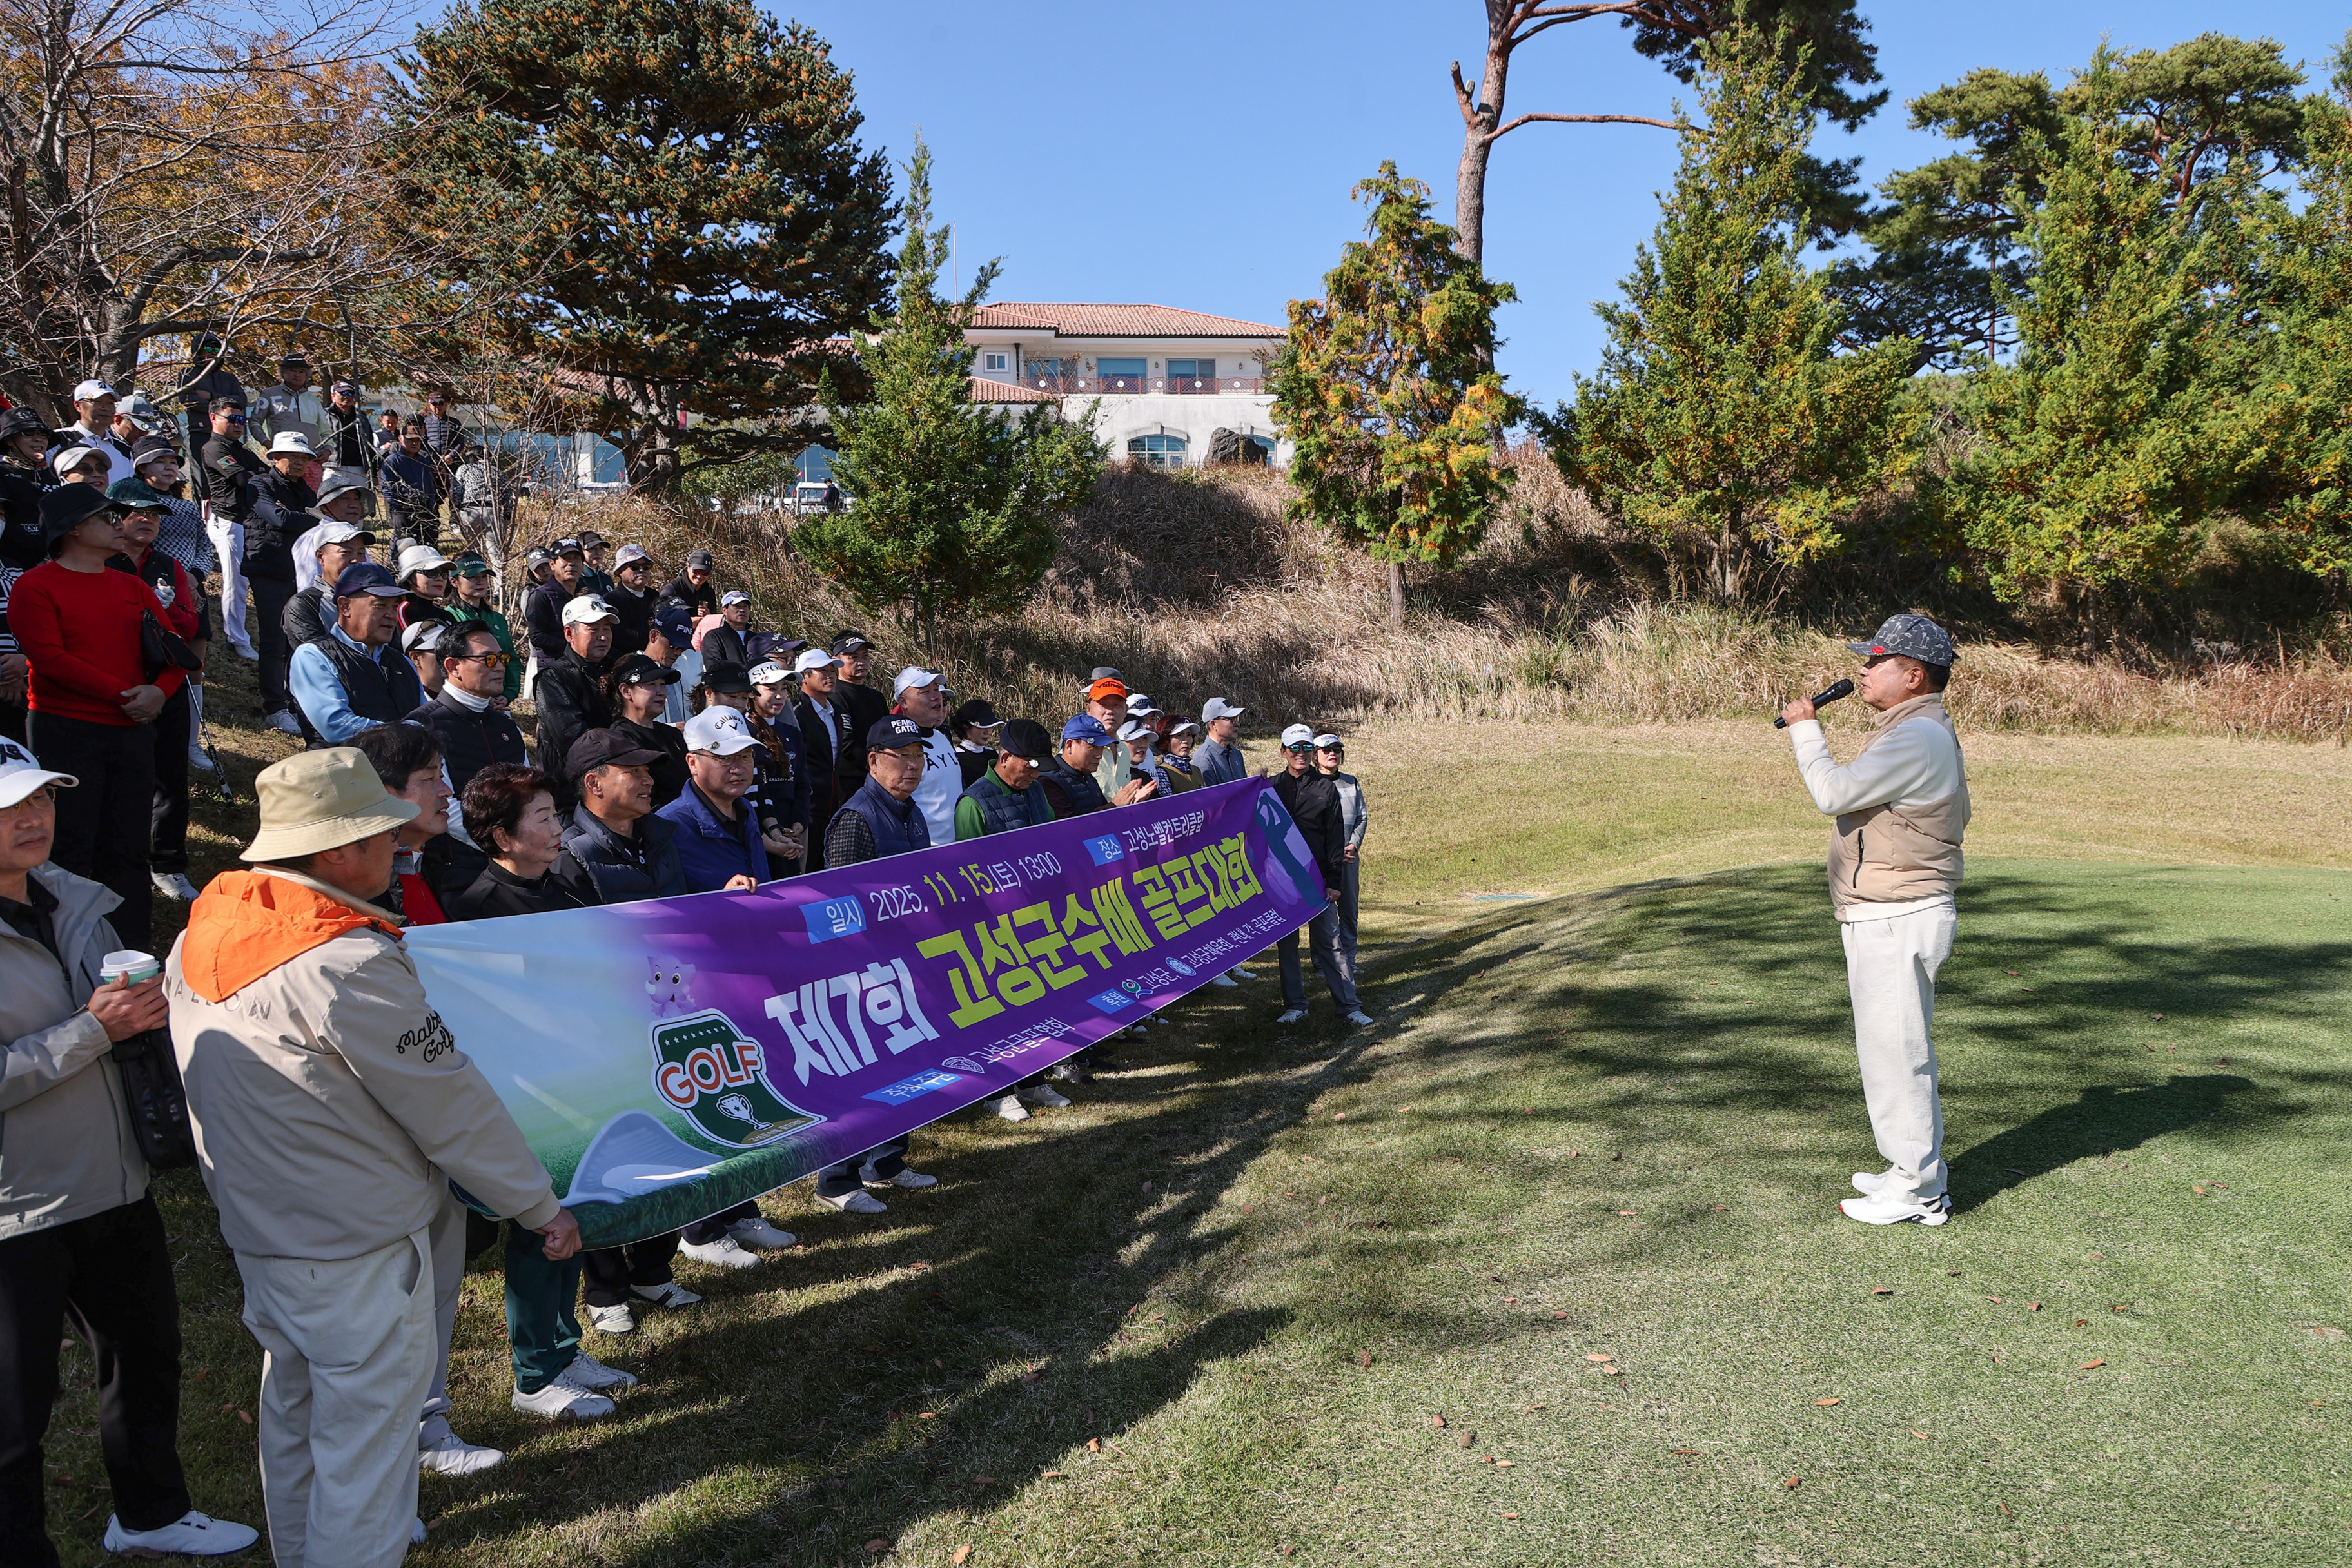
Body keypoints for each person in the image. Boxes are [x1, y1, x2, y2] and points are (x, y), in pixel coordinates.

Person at [166, 748, 587, 1563]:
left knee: (297, 1416)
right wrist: (539, 1203)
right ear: (332, 850)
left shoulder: (210, 925)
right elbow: (449, 1102)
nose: (397, 844)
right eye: (378, 832)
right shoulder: (342, 960)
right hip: (357, 1236)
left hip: (265, 1226)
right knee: (368, 1448)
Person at [0, 741, 263, 1565]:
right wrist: (91, 1031)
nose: (34, 817)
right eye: (9, 808)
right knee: (15, 1410)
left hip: (113, 1180)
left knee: (146, 1356)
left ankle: (150, 1512)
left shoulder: (72, 896)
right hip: (17, 1208)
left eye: (41, 798)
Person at [1779, 614, 1971, 1228]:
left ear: (1913, 674)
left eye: (1877, 659)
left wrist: (1807, 730)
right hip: (1891, 911)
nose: (1863, 668)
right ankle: (1906, 1168)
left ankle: (1919, 1193)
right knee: (1887, 1050)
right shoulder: (1912, 728)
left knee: (1897, 1054)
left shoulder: (1916, 737)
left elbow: (1833, 794)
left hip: (1898, 914)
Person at [10, 484, 183, 950]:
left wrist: (158, 694)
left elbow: (175, 653)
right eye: (107, 518)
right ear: (73, 530)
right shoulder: (36, 585)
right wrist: (128, 694)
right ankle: (63, 951)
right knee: (67, 846)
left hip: (132, 729)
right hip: (66, 729)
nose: (117, 525)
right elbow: (48, 658)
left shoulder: (132, 586)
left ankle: (132, 952)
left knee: (128, 846)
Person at [812, 714, 944, 1211]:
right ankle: (837, 1180)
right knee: (861, 1074)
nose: (913, 768)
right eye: (902, 758)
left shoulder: (912, 811)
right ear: (873, 761)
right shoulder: (856, 818)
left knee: (905, 1065)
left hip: (905, 962)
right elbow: (837, 908)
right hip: (863, 970)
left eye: (919, 758)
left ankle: (886, 1160)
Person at [105, 478, 208, 903]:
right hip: (112, 683)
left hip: (166, 681)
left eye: (153, 514)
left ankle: (167, 864)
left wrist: (162, 610)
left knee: (171, 776)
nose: (146, 519)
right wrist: (154, 609)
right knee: (119, 777)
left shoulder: (170, 565)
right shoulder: (101, 561)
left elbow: (188, 622)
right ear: (114, 517)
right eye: (136, 511)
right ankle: (120, 861)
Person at [406, 622, 528, 904]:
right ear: (453, 665)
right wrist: (507, 848)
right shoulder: (423, 726)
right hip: (454, 875)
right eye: (488, 659)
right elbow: (441, 807)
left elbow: (528, 793)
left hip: (516, 865)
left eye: (502, 658)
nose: (500, 667)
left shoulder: (506, 726)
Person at [1271, 724, 1371, 1028]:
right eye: (1294, 748)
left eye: (1305, 748)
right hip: (1284, 879)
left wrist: (1333, 882)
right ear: (1284, 752)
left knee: (1330, 942)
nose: (1300, 754)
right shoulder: (1272, 786)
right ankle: (1296, 1005)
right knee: (1287, 945)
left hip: (1317, 878)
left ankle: (1349, 1006)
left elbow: (1333, 839)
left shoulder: (1326, 787)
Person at [289, 562, 422, 745]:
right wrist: (408, 734)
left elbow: (425, 719)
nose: (391, 615)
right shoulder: (314, 656)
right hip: (345, 771)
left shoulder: (402, 662)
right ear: (345, 607)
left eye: (394, 606)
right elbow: (335, 726)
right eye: (380, 605)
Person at [241, 431, 318, 734]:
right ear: (275, 458)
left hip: (297, 571)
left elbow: (313, 517)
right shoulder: (259, 484)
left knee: (297, 639)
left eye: (304, 458)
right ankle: (275, 706)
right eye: (293, 457)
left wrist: (303, 516)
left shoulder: (305, 490)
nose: (299, 463)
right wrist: (311, 519)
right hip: (267, 568)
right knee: (273, 639)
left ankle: (293, 698)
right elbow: (279, 519)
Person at [655, 707, 767, 894]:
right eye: (724, 758)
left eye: (746, 756)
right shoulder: (667, 826)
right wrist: (721, 899)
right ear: (693, 763)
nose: (738, 768)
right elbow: (665, 906)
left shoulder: (746, 808)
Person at [352, 722, 451, 926]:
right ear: (382, 791)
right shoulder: (358, 895)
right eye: (429, 778)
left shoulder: (445, 869)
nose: (446, 791)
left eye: (441, 776)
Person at [195, 397, 266, 668]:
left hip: (248, 522)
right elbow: (243, 480)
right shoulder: (213, 448)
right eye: (232, 419)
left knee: (247, 580)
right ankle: (237, 639)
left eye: (242, 419)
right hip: (228, 522)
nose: (239, 424)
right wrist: (259, 477)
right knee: (236, 583)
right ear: (214, 418)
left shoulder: (242, 449)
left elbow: (266, 474)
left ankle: (240, 635)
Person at [533, 594, 616, 807]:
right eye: (593, 629)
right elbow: (573, 737)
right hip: (572, 796)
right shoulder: (553, 677)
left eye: (606, 628)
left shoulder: (614, 669)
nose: (603, 636)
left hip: (614, 785)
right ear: (570, 634)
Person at [745, 661, 812, 876]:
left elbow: (802, 782)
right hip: (759, 828)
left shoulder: (792, 733)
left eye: (784, 689)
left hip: (791, 828)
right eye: (771, 689)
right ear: (752, 693)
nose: (780, 696)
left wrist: (799, 821)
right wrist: (772, 831)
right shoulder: (743, 732)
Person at [791, 649, 854, 870]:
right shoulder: (795, 713)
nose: (831, 676)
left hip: (834, 803)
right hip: (809, 807)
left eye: (832, 671)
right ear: (804, 677)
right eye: (823, 671)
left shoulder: (835, 710)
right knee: (807, 867)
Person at [888, 667, 961, 847]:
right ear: (903, 702)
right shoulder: (895, 747)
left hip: (960, 846)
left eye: (937, 689)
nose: (936, 697)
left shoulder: (942, 738)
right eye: (925, 692)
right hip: (925, 851)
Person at [604, 655, 688, 807]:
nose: (662, 692)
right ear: (626, 691)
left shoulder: (672, 733)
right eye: (652, 684)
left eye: (662, 685)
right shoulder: (620, 738)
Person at [282, 519, 377, 649]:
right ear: (321, 557)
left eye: (361, 553)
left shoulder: (374, 599)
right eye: (346, 552)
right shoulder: (305, 604)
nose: (356, 560)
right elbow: (316, 657)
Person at [1039, 715, 1154, 819]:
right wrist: (1115, 806)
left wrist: (1129, 804)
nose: (1099, 755)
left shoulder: (1087, 775)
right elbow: (1069, 828)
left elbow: (1103, 816)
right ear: (1070, 745)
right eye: (1093, 747)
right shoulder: (1049, 780)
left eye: (1101, 747)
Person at [1313, 734, 1364, 965]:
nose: (1333, 753)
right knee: (1323, 915)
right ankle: (1322, 962)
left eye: (1337, 749)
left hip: (1349, 858)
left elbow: (1362, 817)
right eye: (1326, 750)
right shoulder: (1310, 784)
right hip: (1321, 860)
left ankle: (1349, 961)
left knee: (1349, 913)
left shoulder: (1351, 782)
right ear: (1316, 756)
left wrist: (1353, 845)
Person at [444, 552, 522, 703]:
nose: (480, 582)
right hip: (465, 701)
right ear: (454, 581)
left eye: (484, 577)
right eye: (472, 577)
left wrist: (508, 695)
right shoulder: (448, 618)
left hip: (499, 701)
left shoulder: (497, 619)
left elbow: (510, 658)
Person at [169, 336, 244, 464]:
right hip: (201, 434)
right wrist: (226, 407)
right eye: (209, 348)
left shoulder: (229, 378)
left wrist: (211, 396)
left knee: (227, 469)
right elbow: (188, 399)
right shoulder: (188, 374)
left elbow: (242, 401)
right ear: (199, 351)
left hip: (227, 437)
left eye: (217, 349)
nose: (213, 352)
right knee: (203, 475)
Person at [0, 404, 55, 569]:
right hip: (13, 567)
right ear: (9, 440)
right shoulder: (2, 473)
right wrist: (39, 553)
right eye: (29, 433)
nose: (38, 438)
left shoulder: (55, 477)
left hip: (60, 565)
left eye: (43, 433)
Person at [378, 420, 444, 552]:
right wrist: (397, 507)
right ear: (401, 439)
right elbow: (387, 487)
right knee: (404, 545)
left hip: (425, 508)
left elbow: (430, 485)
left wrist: (432, 505)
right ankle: (395, 569)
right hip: (403, 508)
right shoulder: (393, 460)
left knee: (430, 545)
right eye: (411, 440)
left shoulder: (424, 460)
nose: (414, 443)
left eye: (418, 440)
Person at [524, 537, 588, 663]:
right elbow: (537, 636)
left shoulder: (587, 595)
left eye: (576, 558)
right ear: (552, 564)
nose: (571, 564)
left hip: (586, 666)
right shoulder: (541, 596)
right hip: (554, 669)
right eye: (566, 559)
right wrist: (573, 649)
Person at [62, 381, 132, 485]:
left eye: (111, 403)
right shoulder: (59, 440)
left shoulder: (124, 451)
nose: (106, 408)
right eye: (98, 401)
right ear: (78, 406)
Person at [250, 353, 324, 449]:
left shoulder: (314, 400)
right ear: (283, 373)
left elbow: (325, 431)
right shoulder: (269, 394)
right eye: (292, 370)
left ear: (307, 376)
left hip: (312, 455)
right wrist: (265, 442)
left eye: (302, 372)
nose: (297, 374)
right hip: (283, 453)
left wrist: (328, 449)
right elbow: (254, 421)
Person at [1082, 677, 1134, 801]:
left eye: (1117, 705)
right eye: (1103, 705)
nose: (1110, 711)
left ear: (1126, 710)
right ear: (1088, 709)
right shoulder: (1079, 749)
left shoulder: (1124, 750)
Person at [604, 543, 658, 656]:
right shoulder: (612, 600)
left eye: (646, 567)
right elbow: (623, 638)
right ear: (619, 572)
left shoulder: (654, 596)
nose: (642, 570)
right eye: (635, 567)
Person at [647, 605, 697, 725]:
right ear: (654, 636)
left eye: (682, 648)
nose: (678, 653)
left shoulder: (679, 676)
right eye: (673, 646)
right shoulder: (633, 673)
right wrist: (672, 730)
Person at [320, 380, 373, 473]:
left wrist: (373, 470)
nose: (347, 396)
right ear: (333, 396)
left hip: (359, 468)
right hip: (332, 466)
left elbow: (369, 443)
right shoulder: (324, 415)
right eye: (343, 393)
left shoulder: (361, 417)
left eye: (350, 393)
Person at [395, 543, 452, 628]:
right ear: (409, 577)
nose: (440, 578)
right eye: (431, 573)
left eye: (444, 573)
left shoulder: (447, 615)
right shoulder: (403, 611)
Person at [1195, 698, 1249, 784]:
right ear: (1214, 724)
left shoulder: (1236, 753)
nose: (1237, 724)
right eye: (1231, 719)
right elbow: (1209, 796)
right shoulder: (1204, 757)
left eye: (1237, 719)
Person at [949, 698, 1001, 787]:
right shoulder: (956, 757)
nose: (987, 732)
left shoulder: (992, 753)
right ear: (965, 726)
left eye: (991, 726)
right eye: (982, 727)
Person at [656, 547, 719, 619]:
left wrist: (709, 617)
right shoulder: (673, 588)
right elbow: (661, 616)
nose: (699, 576)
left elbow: (714, 623)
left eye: (705, 573)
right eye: (696, 571)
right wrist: (689, 622)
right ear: (688, 567)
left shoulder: (709, 592)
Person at [1117, 718, 1172, 796]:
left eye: (1145, 738)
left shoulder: (1146, 777)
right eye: (1135, 739)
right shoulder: (1112, 777)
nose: (1142, 745)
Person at [701, 589, 754, 669]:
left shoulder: (757, 639)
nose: (742, 610)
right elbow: (714, 665)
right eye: (736, 606)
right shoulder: (714, 637)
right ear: (724, 610)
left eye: (745, 606)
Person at [402, 618, 453, 701]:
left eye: (451, 649)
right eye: (439, 650)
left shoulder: (465, 695)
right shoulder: (408, 701)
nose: (448, 655)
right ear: (416, 658)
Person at [1160, 720, 1204, 793]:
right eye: (1179, 735)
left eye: (1189, 735)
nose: (1185, 741)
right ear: (1167, 740)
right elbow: (1166, 803)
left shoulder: (1196, 770)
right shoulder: (1162, 772)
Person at [575, 531, 615, 599]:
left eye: (601, 548)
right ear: (581, 551)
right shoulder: (577, 578)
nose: (598, 553)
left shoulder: (606, 578)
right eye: (592, 548)